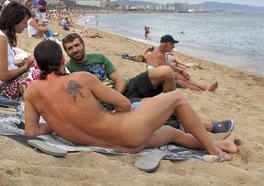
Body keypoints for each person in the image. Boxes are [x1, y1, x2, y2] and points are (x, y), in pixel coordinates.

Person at [24, 40, 237, 160]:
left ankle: (221, 143)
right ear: (63, 59)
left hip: (116, 147)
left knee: (172, 133)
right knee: (177, 98)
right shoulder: (80, 78)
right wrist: (119, 115)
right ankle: (214, 151)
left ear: (39, 66)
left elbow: (32, 131)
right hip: (127, 135)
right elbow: (124, 104)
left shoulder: (32, 92)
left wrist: (57, 124)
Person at [62, 33, 233, 133]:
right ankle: (207, 126)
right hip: (116, 104)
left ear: (83, 44)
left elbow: (119, 79)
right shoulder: (70, 70)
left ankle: (177, 110)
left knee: (165, 72)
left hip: (126, 88)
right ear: (66, 52)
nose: (75, 50)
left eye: (77, 45)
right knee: (160, 106)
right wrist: (116, 102)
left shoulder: (99, 57)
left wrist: (117, 96)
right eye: (70, 48)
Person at [0, 2, 40, 99]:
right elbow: (3, 76)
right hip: (2, 88)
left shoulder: (3, 35)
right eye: (24, 23)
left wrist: (20, 65)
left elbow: (3, 67)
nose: (25, 27)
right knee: (41, 72)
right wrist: (24, 67)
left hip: (6, 82)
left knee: (41, 64)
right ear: (14, 21)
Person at [146, 35, 218, 91]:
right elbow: (169, 67)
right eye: (172, 44)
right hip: (153, 82)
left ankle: (204, 87)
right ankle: (204, 89)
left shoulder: (159, 52)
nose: (174, 47)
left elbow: (169, 65)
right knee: (181, 81)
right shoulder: (159, 55)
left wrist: (181, 71)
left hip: (155, 78)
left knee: (180, 76)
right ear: (167, 44)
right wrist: (180, 72)